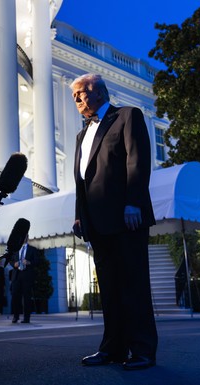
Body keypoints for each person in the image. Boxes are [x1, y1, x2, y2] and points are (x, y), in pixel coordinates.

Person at [70, 74, 157, 370]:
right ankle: (113, 348)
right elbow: (81, 180)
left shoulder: (127, 116)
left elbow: (138, 160)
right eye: (75, 96)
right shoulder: (82, 135)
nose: (77, 100)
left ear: (98, 92)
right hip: (97, 222)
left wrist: (133, 201)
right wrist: (80, 215)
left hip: (126, 217)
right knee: (109, 289)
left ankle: (143, 350)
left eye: (80, 94)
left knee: (134, 286)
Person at [10, 234, 37, 323]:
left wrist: (29, 262)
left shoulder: (32, 249)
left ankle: (26, 318)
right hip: (16, 275)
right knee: (15, 297)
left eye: (25, 236)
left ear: (27, 237)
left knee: (26, 298)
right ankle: (15, 316)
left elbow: (37, 261)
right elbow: (10, 260)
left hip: (27, 275)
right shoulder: (15, 249)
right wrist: (14, 264)